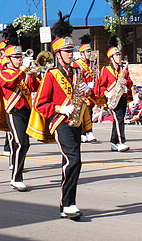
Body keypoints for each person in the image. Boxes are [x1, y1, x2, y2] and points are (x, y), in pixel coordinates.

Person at [30, 12, 94, 221]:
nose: (70, 54)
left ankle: (68, 203)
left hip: (76, 121)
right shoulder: (51, 75)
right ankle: (67, 204)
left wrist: (87, 90)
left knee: (76, 162)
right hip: (61, 122)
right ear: (57, 54)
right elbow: (40, 104)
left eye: (71, 50)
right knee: (72, 160)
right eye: (66, 51)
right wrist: (59, 108)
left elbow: (86, 97)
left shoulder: (77, 72)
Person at [0, 42, 40, 191]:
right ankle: (16, 177)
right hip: (13, 111)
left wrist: (36, 73)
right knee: (22, 143)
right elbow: (9, 82)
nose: (20, 60)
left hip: (26, 111)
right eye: (16, 57)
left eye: (20, 57)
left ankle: (14, 167)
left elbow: (35, 87)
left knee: (19, 144)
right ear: (8, 59)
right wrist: (23, 70)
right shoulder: (4, 72)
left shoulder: (22, 72)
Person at [95, 38, 133, 152]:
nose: (119, 57)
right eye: (116, 55)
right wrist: (107, 93)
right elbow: (101, 86)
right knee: (119, 119)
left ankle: (113, 141)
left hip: (122, 97)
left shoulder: (124, 70)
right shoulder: (105, 70)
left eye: (119, 54)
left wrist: (126, 83)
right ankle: (121, 142)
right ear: (111, 58)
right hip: (112, 98)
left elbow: (130, 82)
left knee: (118, 119)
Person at [74, 34, 98, 143]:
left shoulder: (91, 64)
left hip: (90, 90)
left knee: (90, 111)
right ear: (82, 53)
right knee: (82, 112)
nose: (89, 54)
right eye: (87, 52)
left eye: (90, 51)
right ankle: (83, 133)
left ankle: (89, 131)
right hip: (81, 90)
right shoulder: (78, 64)